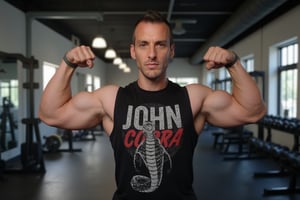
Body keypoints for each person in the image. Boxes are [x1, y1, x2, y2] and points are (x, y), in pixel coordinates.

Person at [39, 10, 266, 200]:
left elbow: (253, 112)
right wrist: (68, 64)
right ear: (133, 51)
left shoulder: (194, 97)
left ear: (171, 51)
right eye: (143, 44)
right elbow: (51, 115)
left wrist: (234, 63)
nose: (151, 54)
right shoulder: (111, 99)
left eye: (160, 45)